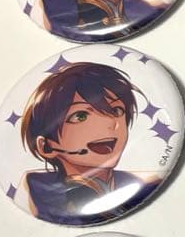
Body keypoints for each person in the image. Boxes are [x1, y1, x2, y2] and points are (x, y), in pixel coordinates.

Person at [20, 63, 157, 224]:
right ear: (46, 146)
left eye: (116, 110)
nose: (109, 123)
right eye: (80, 116)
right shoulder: (36, 195)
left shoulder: (144, 183)